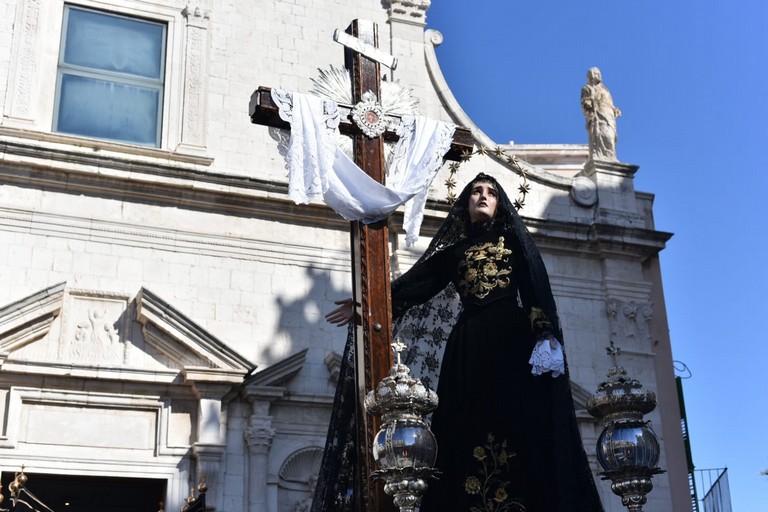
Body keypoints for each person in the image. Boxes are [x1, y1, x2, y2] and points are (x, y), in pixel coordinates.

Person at [322, 173, 604, 512]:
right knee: (465, 424)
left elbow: (534, 292)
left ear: (500, 205)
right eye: (475, 192)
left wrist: (544, 335)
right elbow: (415, 286)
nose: (482, 197)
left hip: (511, 341)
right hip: (468, 346)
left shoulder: (514, 243)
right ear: (465, 202)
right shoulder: (453, 253)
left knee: (518, 423)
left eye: (490, 193)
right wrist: (366, 306)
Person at [581, 67, 621, 161]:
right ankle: (600, 155)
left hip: (609, 115)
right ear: (591, 76)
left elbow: (610, 103)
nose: (598, 75)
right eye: (595, 73)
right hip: (597, 114)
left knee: (611, 136)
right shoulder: (587, 88)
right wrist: (587, 103)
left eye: (599, 73)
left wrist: (615, 110)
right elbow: (584, 101)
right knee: (602, 135)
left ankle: (611, 156)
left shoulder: (605, 90)